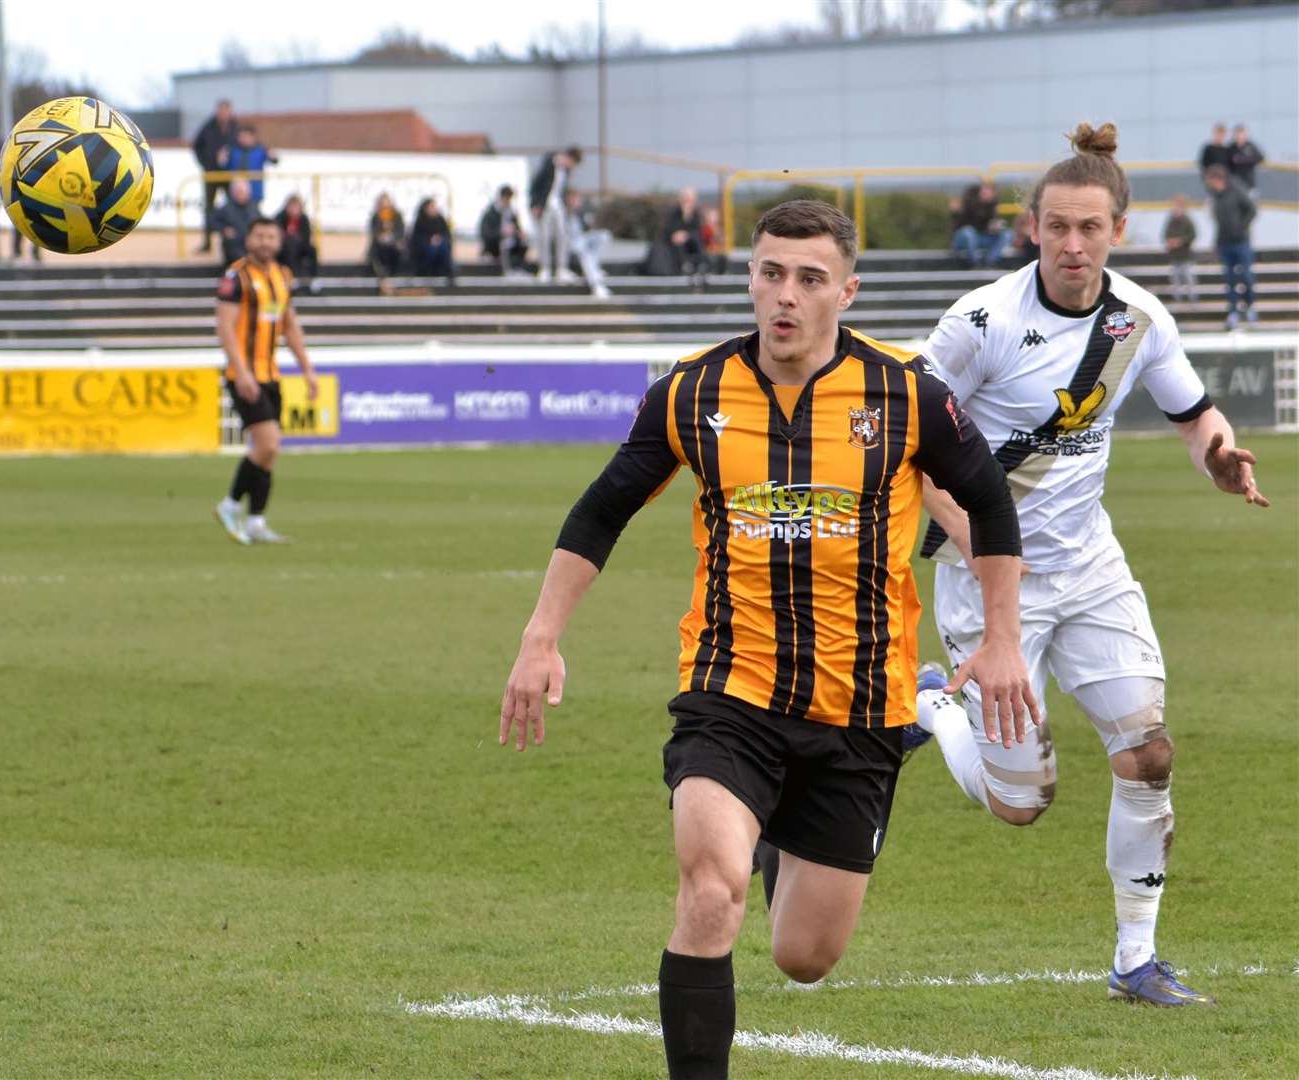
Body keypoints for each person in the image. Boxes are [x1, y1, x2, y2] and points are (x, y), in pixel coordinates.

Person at [499, 199, 1036, 1080]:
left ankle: (881, 746)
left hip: (860, 707)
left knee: (804, 957)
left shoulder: (907, 394)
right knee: (712, 891)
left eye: (810, 279)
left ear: (846, 292)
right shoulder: (692, 391)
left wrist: (1004, 635)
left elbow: (988, 499)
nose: (785, 295)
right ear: (750, 277)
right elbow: (602, 509)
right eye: (770, 273)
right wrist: (540, 634)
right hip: (730, 692)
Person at [908, 122, 1268, 1010]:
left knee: (1148, 754)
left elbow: (1196, 415)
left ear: (1118, 231)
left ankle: (1136, 962)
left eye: (1091, 229)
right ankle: (929, 703)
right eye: (1058, 227)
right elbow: (903, 437)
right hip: (996, 582)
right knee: (1019, 806)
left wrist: (1219, 454)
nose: (1074, 244)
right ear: (1031, 226)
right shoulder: (982, 322)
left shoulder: (1138, 319)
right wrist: (973, 539)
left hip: (1091, 567)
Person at [213, 217, 318, 546]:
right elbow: (225, 327)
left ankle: (256, 521)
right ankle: (230, 505)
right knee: (268, 443)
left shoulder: (283, 276)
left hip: (271, 375)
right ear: (249, 239)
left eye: (271, 237)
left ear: (279, 241)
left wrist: (307, 368)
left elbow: (289, 326)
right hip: (244, 376)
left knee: (269, 453)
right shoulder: (236, 277)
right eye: (259, 236)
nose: (265, 242)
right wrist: (241, 372)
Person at [1204, 165, 1257, 330]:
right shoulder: (1215, 197)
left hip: (1241, 242)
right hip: (1225, 244)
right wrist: (1216, 244)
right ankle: (1233, 311)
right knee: (1230, 279)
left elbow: (1252, 209)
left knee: (1246, 276)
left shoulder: (1236, 190)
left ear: (1219, 179)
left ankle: (1249, 306)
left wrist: (1242, 226)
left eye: (1212, 181)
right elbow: (1218, 223)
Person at [528, 146, 582, 283]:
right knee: (544, 237)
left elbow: (562, 189)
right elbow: (535, 185)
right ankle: (544, 268)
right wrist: (534, 204)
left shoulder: (566, 171)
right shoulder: (548, 164)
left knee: (562, 236)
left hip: (558, 206)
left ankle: (561, 268)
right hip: (545, 206)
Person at [192, 99, 238, 254]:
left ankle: (235, 239)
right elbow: (197, 146)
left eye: (226, 110)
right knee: (209, 209)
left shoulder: (235, 127)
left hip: (229, 174)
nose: (223, 113)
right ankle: (207, 243)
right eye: (221, 110)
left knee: (233, 207)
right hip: (211, 174)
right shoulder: (208, 126)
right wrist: (206, 163)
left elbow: (241, 146)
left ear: (230, 111)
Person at [564, 189, 611, 298]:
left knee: (604, 235)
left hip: (581, 241)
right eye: (575, 199)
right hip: (569, 246)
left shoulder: (581, 213)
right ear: (568, 200)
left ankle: (595, 267)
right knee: (585, 253)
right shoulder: (561, 213)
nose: (577, 202)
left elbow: (587, 230)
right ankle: (596, 285)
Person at [951, 180, 1009, 268]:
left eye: (991, 192)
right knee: (969, 232)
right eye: (986, 190)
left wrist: (995, 227)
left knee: (1007, 234)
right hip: (962, 238)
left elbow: (986, 227)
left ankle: (990, 262)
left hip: (980, 237)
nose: (988, 194)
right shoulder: (968, 200)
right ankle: (975, 264)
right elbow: (962, 219)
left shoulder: (991, 206)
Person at [478, 184, 528, 276]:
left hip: (511, 246)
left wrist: (519, 233)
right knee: (504, 245)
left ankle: (516, 267)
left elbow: (517, 229)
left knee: (522, 242)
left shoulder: (511, 213)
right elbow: (485, 234)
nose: (508, 201)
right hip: (494, 246)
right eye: (506, 198)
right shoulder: (490, 213)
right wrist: (501, 232)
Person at [276, 193, 320, 292]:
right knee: (290, 248)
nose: (294, 210)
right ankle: (292, 277)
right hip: (284, 249)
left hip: (300, 246)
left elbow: (306, 237)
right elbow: (278, 235)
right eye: (291, 206)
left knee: (312, 250)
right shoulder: (280, 217)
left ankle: (314, 278)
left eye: (296, 207)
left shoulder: (304, 219)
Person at [225, 125, 278, 206]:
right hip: (235, 192)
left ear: (253, 137)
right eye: (241, 136)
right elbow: (225, 166)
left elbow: (274, 161)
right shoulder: (233, 150)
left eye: (246, 136)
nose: (243, 139)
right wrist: (222, 161)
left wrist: (273, 157)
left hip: (255, 193)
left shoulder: (261, 149)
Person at [213, 179, 260, 266]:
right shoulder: (225, 208)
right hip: (235, 242)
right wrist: (224, 229)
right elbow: (213, 222)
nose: (241, 194)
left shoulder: (254, 207)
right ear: (233, 193)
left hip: (251, 240)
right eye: (239, 192)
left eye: (244, 192)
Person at [1162, 194, 1197, 305]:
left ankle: (1193, 296)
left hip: (1185, 255)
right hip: (1174, 255)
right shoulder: (1170, 221)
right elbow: (1166, 234)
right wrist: (1170, 241)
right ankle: (1178, 297)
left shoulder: (1187, 221)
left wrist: (1181, 241)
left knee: (1188, 276)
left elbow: (1192, 235)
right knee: (1175, 277)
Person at [410, 196, 454, 282]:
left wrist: (439, 239)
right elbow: (416, 239)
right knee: (431, 250)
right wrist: (429, 240)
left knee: (443, 247)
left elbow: (447, 234)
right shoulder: (420, 221)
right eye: (431, 206)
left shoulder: (441, 219)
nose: (434, 209)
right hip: (424, 248)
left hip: (441, 246)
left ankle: (448, 273)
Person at [367, 192, 405, 290]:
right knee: (375, 254)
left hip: (394, 245)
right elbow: (374, 232)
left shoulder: (397, 216)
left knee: (399, 249)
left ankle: (395, 276)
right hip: (380, 246)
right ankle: (382, 278)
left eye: (387, 202)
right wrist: (381, 236)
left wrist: (392, 237)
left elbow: (401, 231)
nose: (385, 205)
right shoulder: (376, 216)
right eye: (383, 202)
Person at [1227, 124, 1264, 195]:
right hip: (1234, 184)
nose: (1239, 136)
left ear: (1245, 135)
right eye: (1237, 134)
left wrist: (1245, 160)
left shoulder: (1250, 146)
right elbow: (1226, 162)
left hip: (1249, 183)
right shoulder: (1230, 148)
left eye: (1241, 134)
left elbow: (1260, 157)